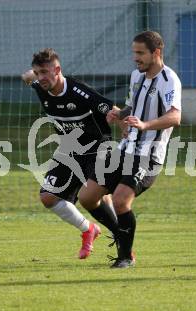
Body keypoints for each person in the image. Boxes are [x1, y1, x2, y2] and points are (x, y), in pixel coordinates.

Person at [78, 31, 182, 268]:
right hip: (125, 149)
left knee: (121, 201)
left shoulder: (169, 79)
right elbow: (133, 105)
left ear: (156, 52)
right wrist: (121, 115)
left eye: (140, 53)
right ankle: (121, 235)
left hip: (149, 155)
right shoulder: (137, 75)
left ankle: (125, 257)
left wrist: (145, 125)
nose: (135, 58)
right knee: (87, 197)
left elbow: (175, 116)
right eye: (134, 52)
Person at [22, 48, 119, 259]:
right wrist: (31, 76)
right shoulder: (40, 86)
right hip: (69, 148)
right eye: (38, 73)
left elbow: (112, 108)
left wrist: (123, 121)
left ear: (58, 70)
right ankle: (88, 229)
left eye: (45, 72)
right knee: (47, 197)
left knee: (96, 195)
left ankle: (121, 239)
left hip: (97, 148)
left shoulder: (79, 92)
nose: (41, 78)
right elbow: (28, 77)